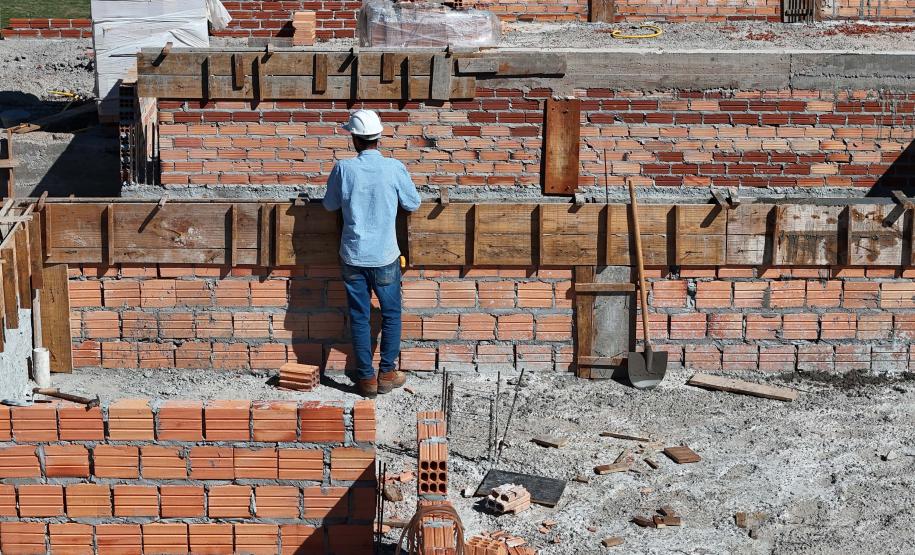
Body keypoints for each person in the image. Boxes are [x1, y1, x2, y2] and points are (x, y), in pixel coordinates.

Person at [322, 109, 421, 399]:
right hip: (385, 256)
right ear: (378, 137)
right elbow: (413, 203)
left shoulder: (344, 169)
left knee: (359, 317)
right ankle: (387, 373)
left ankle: (366, 379)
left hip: (353, 256)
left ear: (354, 138)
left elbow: (329, 205)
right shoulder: (394, 167)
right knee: (391, 315)